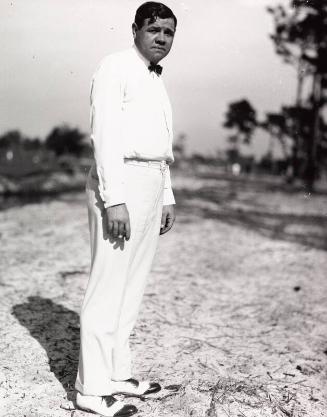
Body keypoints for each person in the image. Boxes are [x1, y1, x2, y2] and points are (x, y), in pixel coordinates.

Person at [75, 2, 177, 416]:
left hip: (151, 182)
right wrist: (114, 197)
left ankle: (117, 373)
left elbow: (160, 142)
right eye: (154, 30)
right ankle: (91, 390)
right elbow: (106, 136)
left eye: (169, 33)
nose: (161, 38)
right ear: (135, 29)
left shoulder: (155, 80)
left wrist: (166, 194)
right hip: (121, 182)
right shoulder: (115, 66)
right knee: (108, 283)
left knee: (131, 285)